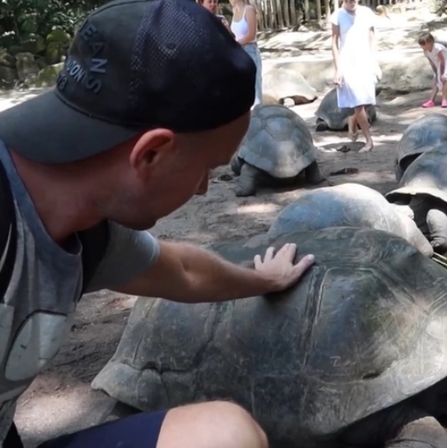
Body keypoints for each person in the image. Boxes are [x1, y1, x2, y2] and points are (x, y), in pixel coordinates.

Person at [0, 0, 314, 447]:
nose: (203, 189)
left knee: (224, 435)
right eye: (207, 168)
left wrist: (265, 279)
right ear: (151, 154)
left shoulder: (88, 225)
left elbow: (183, 271)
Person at [331, 0, 380, 153]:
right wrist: (338, 68)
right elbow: (334, 43)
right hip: (347, 62)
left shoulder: (366, 13)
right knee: (358, 103)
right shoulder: (337, 15)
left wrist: (375, 63)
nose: (351, 2)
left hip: (365, 60)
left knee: (367, 101)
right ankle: (369, 141)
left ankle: (352, 119)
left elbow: (372, 39)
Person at [229, 0, 262, 108]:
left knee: (255, 87)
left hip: (250, 50)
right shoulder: (234, 10)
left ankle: (257, 113)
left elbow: (251, 35)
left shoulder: (249, 9)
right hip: (239, 52)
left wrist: (234, 44)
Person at [418, 31, 447, 108]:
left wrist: (442, 73)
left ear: (430, 43)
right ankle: (431, 101)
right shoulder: (425, 51)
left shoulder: (437, 48)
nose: (422, 47)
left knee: (444, 78)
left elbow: (443, 61)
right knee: (436, 80)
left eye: (423, 44)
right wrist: (435, 73)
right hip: (438, 62)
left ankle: (444, 99)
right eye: (421, 45)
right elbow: (431, 62)